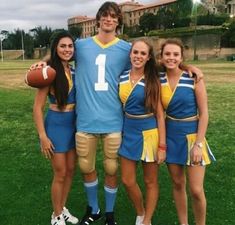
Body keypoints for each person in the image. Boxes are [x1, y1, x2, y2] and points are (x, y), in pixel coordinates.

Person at [74, 2, 131, 225]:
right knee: (86, 166)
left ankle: (109, 213)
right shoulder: (80, 46)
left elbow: (152, 64)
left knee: (111, 167)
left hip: (113, 119)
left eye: (113, 16)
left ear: (118, 21)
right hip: (86, 119)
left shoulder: (126, 49)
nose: (109, 19)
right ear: (98, 19)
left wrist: (188, 68)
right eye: (105, 16)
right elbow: (58, 54)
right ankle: (94, 209)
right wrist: (43, 62)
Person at [159, 38, 216, 225]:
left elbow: (205, 113)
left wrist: (199, 144)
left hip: (193, 137)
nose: (171, 58)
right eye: (167, 54)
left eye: (176, 54)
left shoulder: (193, 77)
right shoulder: (159, 79)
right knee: (177, 184)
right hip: (171, 136)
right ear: (161, 57)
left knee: (196, 190)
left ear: (181, 57)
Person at [33, 31, 79, 225]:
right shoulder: (49, 72)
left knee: (70, 171)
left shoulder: (75, 70)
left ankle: (62, 208)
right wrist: (43, 136)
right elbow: (37, 107)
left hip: (73, 126)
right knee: (59, 173)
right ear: (55, 49)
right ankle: (56, 215)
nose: (67, 50)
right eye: (62, 46)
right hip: (56, 126)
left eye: (70, 46)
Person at [118, 39, 166, 225]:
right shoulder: (122, 76)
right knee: (128, 180)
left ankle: (146, 220)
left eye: (142, 54)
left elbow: (160, 116)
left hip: (149, 134)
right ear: (130, 54)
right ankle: (140, 212)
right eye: (135, 52)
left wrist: (162, 145)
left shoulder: (154, 78)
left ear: (148, 58)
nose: (138, 56)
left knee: (150, 181)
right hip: (128, 131)